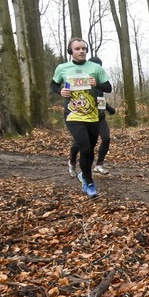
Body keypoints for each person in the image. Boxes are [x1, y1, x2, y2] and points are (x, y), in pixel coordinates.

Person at [51, 38, 112, 198]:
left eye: (84, 48)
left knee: (89, 151)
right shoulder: (62, 68)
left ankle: (84, 174)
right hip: (73, 115)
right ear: (70, 51)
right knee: (84, 148)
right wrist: (60, 91)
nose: (81, 51)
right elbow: (53, 84)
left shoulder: (95, 68)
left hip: (92, 116)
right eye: (77, 49)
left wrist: (97, 84)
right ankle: (89, 182)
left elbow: (108, 87)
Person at [68, 56, 115, 177]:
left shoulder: (100, 81)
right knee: (81, 142)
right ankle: (72, 162)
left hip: (99, 117)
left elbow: (100, 98)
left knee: (106, 138)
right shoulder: (82, 79)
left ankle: (99, 165)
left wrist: (108, 108)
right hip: (85, 117)